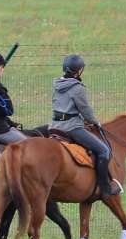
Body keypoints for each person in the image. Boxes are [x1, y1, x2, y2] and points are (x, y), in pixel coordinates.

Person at [49, 54, 122, 197]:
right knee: (103, 150)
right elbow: (86, 110)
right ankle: (105, 189)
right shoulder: (77, 88)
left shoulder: (57, 85)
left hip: (54, 126)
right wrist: (95, 122)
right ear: (79, 71)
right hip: (71, 128)